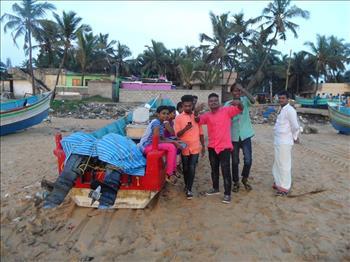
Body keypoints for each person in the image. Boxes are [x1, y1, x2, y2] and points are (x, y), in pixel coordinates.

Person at [43, 133, 146, 209]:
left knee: (113, 161)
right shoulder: (116, 141)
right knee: (113, 162)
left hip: (110, 147)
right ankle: (106, 202)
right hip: (108, 148)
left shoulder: (113, 141)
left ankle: (52, 201)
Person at [195, 93, 243, 204]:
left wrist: (239, 103)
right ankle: (215, 188)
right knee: (214, 169)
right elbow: (197, 120)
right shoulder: (207, 115)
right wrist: (196, 111)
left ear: (219, 102)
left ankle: (227, 194)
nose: (213, 103)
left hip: (224, 147)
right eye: (211, 101)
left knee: (226, 171)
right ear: (208, 103)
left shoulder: (227, 111)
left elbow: (240, 109)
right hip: (212, 147)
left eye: (215, 100)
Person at [139, 106, 182, 184]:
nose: (166, 115)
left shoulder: (162, 123)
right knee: (171, 147)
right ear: (158, 114)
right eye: (163, 113)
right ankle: (169, 174)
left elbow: (163, 139)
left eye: (167, 114)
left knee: (174, 145)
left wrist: (175, 142)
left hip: (154, 145)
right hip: (147, 146)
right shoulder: (156, 123)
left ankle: (173, 170)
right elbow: (157, 140)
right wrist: (173, 143)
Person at [224, 83, 255, 193]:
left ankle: (245, 179)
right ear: (231, 92)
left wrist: (244, 89)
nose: (237, 93)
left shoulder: (245, 100)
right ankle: (236, 182)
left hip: (246, 135)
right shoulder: (227, 104)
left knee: (248, 160)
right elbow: (224, 118)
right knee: (235, 161)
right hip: (233, 136)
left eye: (239, 91)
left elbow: (253, 100)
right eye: (235, 91)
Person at [174, 95, 205, 199]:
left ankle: (189, 189)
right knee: (186, 168)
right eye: (185, 106)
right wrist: (186, 128)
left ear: (193, 105)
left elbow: (201, 132)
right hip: (184, 147)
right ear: (182, 105)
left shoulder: (196, 117)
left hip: (195, 146)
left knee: (192, 167)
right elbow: (177, 135)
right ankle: (187, 185)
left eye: (190, 106)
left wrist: (203, 146)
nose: (188, 108)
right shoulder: (178, 118)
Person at [272, 91, 300, 196]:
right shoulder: (282, 109)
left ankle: (284, 187)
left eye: (283, 98)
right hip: (278, 141)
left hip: (285, 141)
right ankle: (278, 182)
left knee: (284, 164)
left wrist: (294, 137)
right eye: (280, 98)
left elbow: (295, 126)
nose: (281, 100)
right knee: (277, 163)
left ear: (288, 99)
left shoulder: (290, 110)